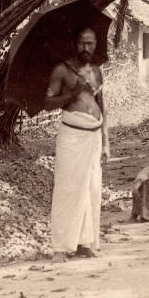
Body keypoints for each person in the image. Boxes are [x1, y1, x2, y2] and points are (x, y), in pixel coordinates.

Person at [43, 26, 107, 264]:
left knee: (91, 189)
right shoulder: (62, 70)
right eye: (82, 43)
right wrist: (73, 94)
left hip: (94, 135)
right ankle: (61, 246)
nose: (86, 48)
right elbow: (47, 103)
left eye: (91, 43)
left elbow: (102, 103)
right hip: (72, 136)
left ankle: (84, 242)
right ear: (74, 44)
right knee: (68, 189)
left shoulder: (97, 71)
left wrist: (106, 142)